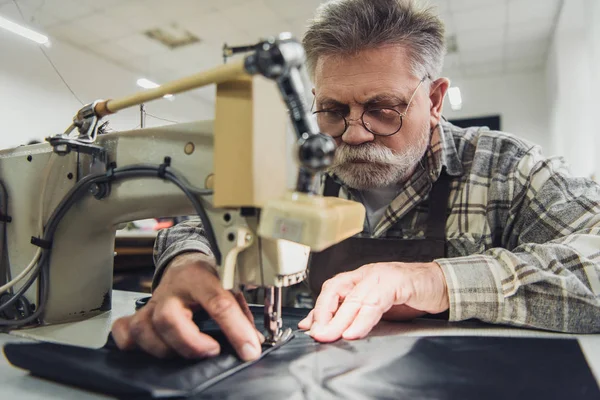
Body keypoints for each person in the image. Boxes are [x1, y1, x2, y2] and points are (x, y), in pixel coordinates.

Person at [111, 0, 600, 361]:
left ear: (433, 100)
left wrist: (436, 281)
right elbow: (201, 222)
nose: (354, 133)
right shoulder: (300, 162)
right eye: (332, 110)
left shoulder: (506, 169)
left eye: (383, 110)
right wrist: (186, 262)